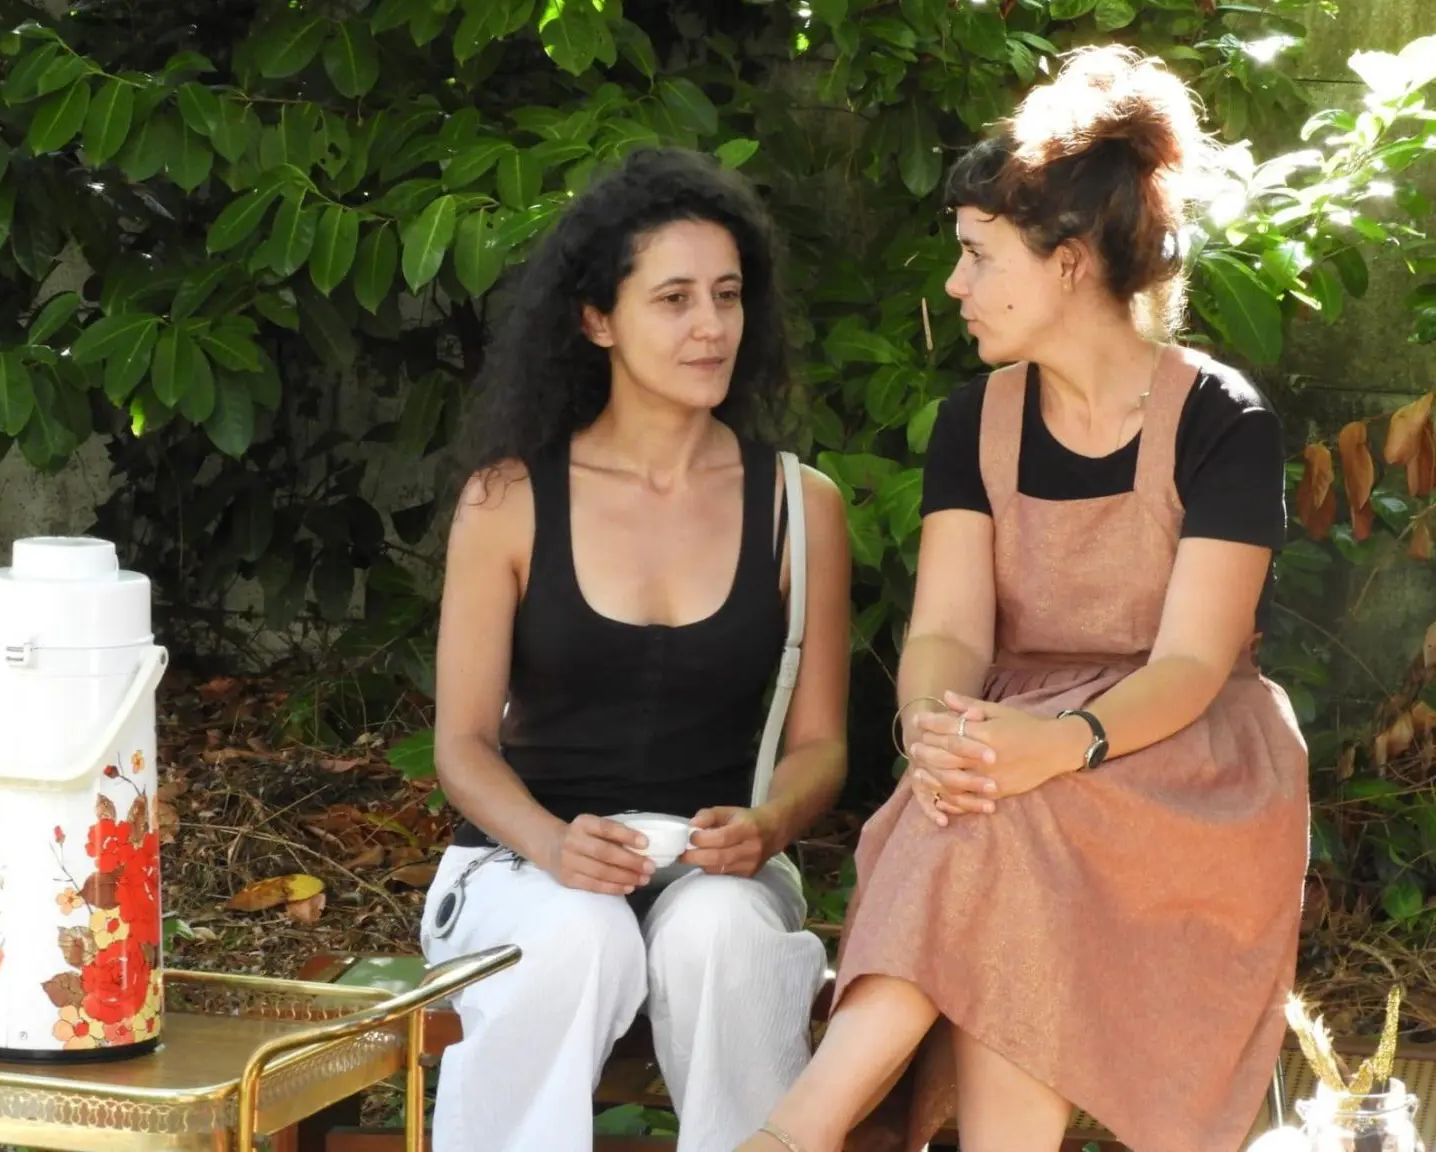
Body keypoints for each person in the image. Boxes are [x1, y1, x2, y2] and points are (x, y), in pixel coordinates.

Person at [739, 46, 1309, 1152]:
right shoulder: (976, 422)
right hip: (1012, 748)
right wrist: (932, 726)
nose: (954, 286)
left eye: (976, 255)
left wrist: (1059, 744)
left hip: (1179, 757)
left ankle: (796, 1132)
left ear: (1069, 263)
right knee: (986, 815)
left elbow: (1193, 663)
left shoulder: (1220, 420)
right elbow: (950, 631)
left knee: (1000, 818)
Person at [424, 146, 851, 1152]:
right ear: (597, 320)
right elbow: (463, 746)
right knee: (579, 934)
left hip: (715, 872)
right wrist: (551, 844)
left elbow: (820, 744)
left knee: (722, 934)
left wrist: (767, 825)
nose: (712, 327)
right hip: (524, 864)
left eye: (728, 296)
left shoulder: (801, 506)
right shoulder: (509, 501)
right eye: (673, 299)